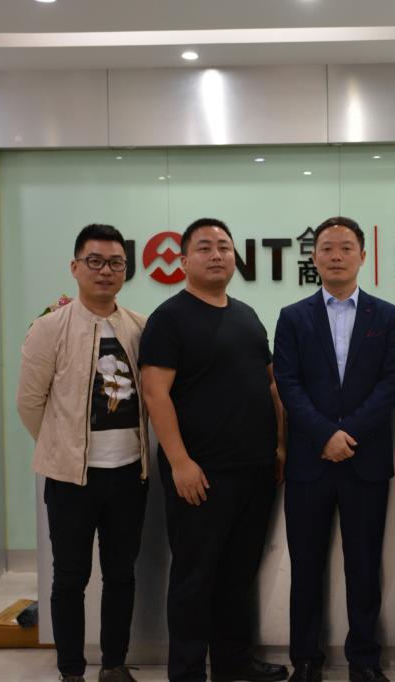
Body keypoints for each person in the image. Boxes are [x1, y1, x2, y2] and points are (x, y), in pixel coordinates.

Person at [139, 218, 289, 682]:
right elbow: (155, 394)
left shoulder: (246, 314)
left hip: (256, 469)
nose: (217, 254)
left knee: (238, 573)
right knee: (195, 576)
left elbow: (270, 383)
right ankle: (187, 671)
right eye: (205, 247)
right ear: (184, 260)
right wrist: (180, 462)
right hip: (201, 473)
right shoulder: (169, 318)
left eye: (224, 246)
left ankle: (233, 661)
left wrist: (279, 446)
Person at [273, 216, 395, 682]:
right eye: (327, 248)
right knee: (306, 567)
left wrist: (347, 433)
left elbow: (392, 382)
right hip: (309, 463)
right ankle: (306, 660)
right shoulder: (293, 317)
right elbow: (288, 383)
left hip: (364, 460)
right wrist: (323, 435)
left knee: (364, 566)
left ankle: (364, 660)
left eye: (346, 248)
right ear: (314, 257)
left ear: (362, 256)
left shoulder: (386, 316)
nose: (336, 256)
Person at [18, 223, 148, 682]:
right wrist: (63, 446)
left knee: (121, 574)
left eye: (115, 263)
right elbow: (29, 403)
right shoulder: (49, 328)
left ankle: (114, 664)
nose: (105, 271)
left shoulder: (138, 327)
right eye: (95, 261)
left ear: (125, 270)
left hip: (130, 472)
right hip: (72, 478)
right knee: (71, 577)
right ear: (75, 267)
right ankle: (71, 670)